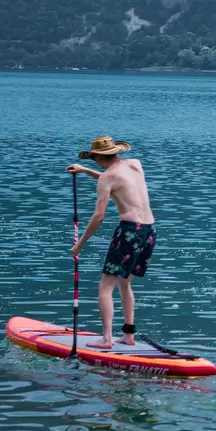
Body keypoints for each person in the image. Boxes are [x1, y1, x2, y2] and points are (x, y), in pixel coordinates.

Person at [66, 136, 155, 350]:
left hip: (129, 231)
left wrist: (81, 244)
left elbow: (99, 217)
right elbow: (120, 184)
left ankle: (106, 339)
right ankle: (128, 335)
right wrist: (86, 171)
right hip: (149, 230)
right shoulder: (134, 165)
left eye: (95, 159)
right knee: (125, 283)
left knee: (105, 287)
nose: (95, 162)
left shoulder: (107, 177)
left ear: (98, 156)